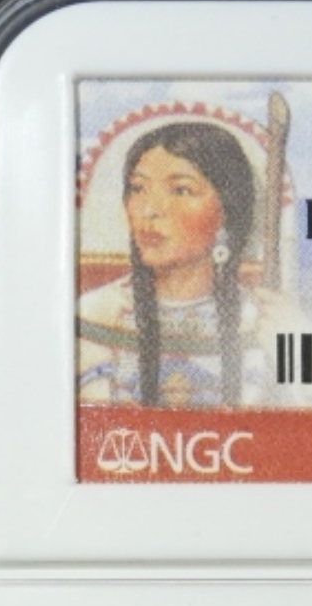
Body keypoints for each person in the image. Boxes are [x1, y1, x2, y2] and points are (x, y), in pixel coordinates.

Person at [77, 120, 292, 407]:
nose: (149, 210)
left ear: (226, 212)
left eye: (180, 190)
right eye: (138, 188)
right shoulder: (96, 314)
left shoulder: (264, 321)